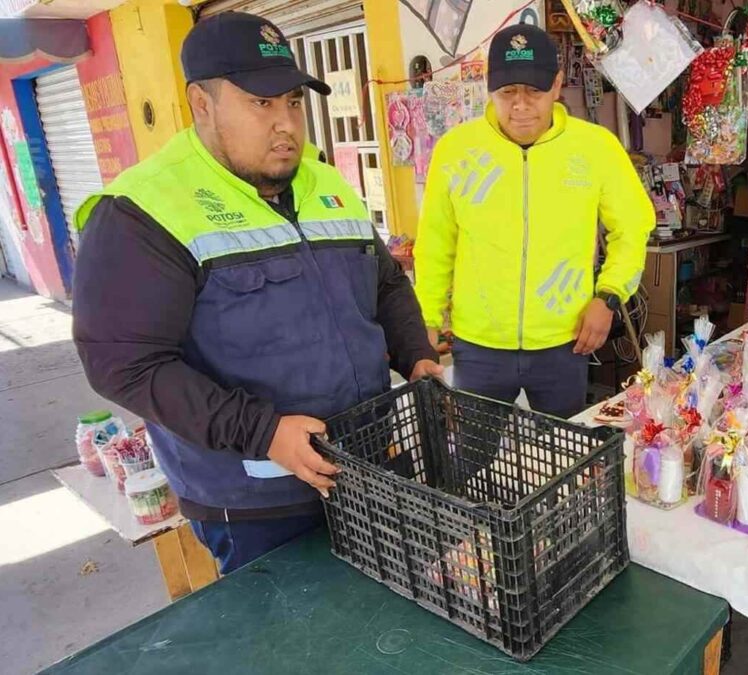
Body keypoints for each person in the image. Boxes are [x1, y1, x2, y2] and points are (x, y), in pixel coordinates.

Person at [71, 12, 441, 574]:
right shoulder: (144, 211)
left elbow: (384, 282)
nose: (285, 124)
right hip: (254, 501)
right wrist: (263, 432)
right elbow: (123, 364)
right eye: (260, 103)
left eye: (293, 101)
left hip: (366, 466)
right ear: (201, 103)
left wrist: (416, 356)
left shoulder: (324, 182)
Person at [414, 24, 654, 420]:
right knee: (472, 454)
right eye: (508, 92)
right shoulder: (456, 151)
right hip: (478, 346)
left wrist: (609, 296)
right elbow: (436, 242)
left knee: (561, 450)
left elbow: (633, 225)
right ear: (490, 88)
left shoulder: (595, 148)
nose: (521, 106)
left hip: (564, 342)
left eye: (534, 91)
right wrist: (425, 317)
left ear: (557, 85)